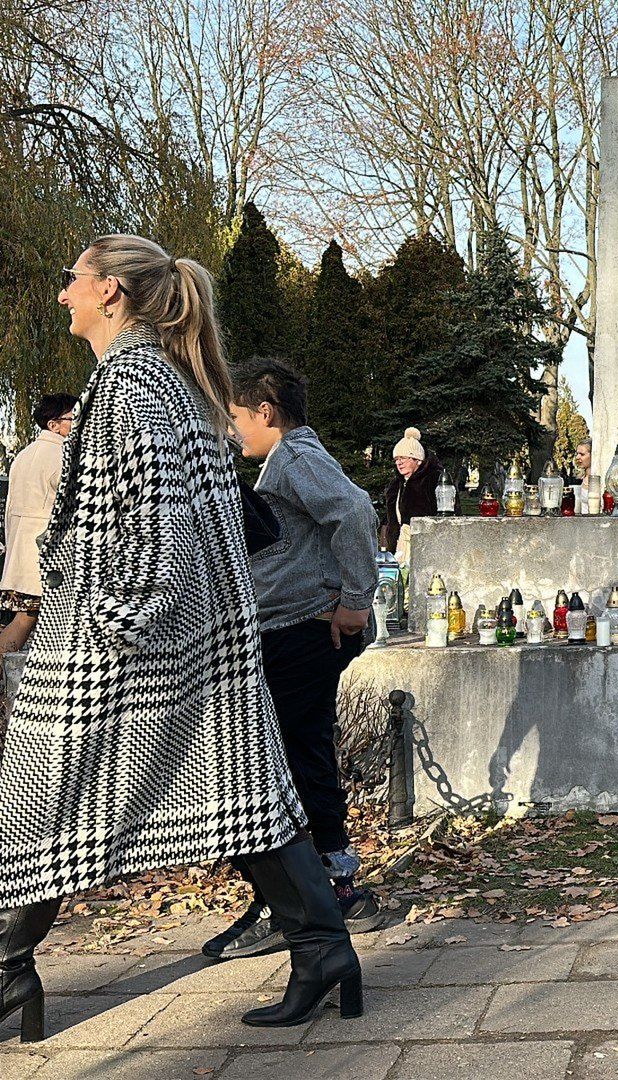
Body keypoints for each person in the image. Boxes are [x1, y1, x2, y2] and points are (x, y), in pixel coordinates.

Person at [0, 235, 362, 1042]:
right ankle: (323, 949)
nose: (62, 294)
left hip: (122, 645)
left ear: (111, 292)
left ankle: (9, 970)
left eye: (71, 279)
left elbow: (158, 531)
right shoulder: (164, 378)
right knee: (236, 798)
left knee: (44, 802)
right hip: (181, 639)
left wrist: (113, 618)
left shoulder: (130, 383)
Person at [203, 357, 382, 962]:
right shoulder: (285, 460)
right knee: (299, 753)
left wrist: (355, 601)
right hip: (290, 627)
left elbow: (355, 512)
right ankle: (320, 889)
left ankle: (313, 896)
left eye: (235, 416)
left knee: (289, 758)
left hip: (304, 630)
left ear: (265, 412)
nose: (232, 429)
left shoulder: (297, 456)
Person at [0, 394, 77, 654]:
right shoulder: (65, 455)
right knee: (40, 621)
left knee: (24, 619)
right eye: (74, 418)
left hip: (23, 557)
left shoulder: (23, 456)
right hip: (52, 558)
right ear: (53, 425)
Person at [378, 426, 441, 556]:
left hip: (428, 546)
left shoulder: (435, 480)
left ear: (418, 460)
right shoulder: (395, 485)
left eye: (403, 458)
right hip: (399, 548)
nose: (399, 463)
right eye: (396, 459)